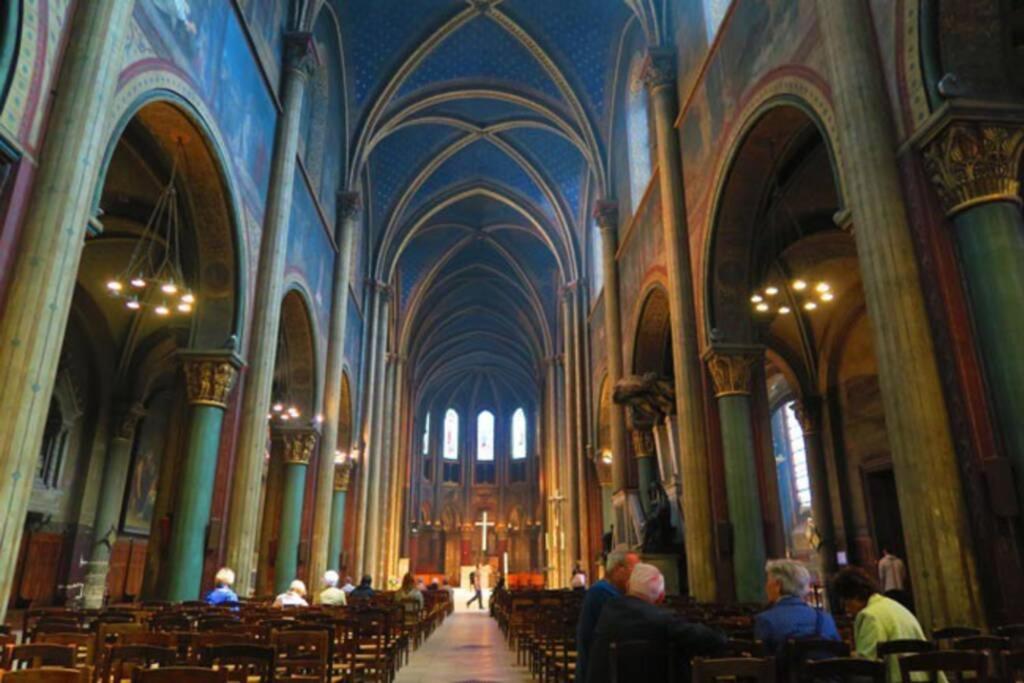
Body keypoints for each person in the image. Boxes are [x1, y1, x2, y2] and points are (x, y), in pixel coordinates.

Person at [586, 563, 726, 683]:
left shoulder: (607, 613)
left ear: (629, 586)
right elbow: (713, 640)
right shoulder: (661, 620)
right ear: (661, 597)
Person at [832, 566, 931, 683]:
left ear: (855, 596)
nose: (846, 609)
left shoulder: (869, 615)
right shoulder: (895, 606)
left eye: (845, 602)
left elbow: (865, 665)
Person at [754, 559, 840, 675]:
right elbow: (839, 656)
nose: (766, 586)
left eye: (768, 581)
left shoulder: (765, 620)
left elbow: (762, 666)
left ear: (777, 586)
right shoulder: (825, 618)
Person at [575, 550, 640, 683]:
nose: (638, 576)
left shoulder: (613, 591)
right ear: (618, 569)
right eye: (635, 570)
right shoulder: (601, 592)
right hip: (598, 670)